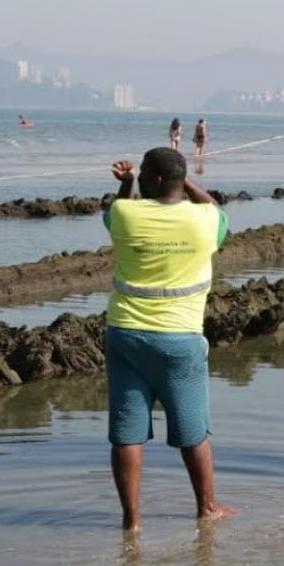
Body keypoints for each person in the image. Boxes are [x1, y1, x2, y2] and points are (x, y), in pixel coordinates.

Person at [104, 147, 234, 530]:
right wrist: (187, 180)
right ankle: (206, 507)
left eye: (144, 173)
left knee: (127, 434)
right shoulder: (205, 221)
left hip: (126, 334)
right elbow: (217, 210)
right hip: (180, 339)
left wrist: (126, 185)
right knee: (193, 430)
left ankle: (132, 520)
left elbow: (115, 214)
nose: (140, 177)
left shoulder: (126, 213)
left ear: (157, 180)